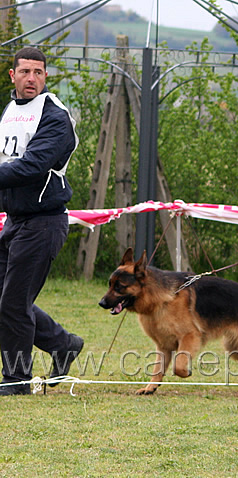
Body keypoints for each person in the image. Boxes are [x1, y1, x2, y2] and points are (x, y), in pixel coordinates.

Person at [0, 47, 83, 396]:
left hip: (44, 222)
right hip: (15, 220)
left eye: (38, 72)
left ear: (46, 76)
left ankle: (17, 381)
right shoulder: (7, 111)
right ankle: (63, 343)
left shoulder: (54, 115)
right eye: (25, 72)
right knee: (5, 298)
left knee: (13, 304)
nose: (31, 78)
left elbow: (32, 166)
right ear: (12, 76)